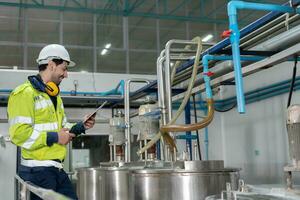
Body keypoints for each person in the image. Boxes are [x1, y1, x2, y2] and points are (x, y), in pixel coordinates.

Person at [7, 44, 95, 200]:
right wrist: (54, 137)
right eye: (64, 68)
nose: (66, 74)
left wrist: (80, 126)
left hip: (56, 170)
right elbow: (18, 134)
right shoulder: (24, 94)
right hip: (37, 173)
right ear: (51, 65)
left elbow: (61, 129)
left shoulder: (54, 97)